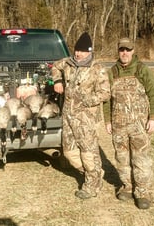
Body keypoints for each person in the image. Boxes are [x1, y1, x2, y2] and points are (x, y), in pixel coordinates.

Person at [51, 32, 110, 199]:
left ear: (89, 52)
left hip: (86, 118)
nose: (78, 54)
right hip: (68, 116)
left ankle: (91, 186)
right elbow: (55, 66)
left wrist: (85, 100)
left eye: (82, 51)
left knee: (88, 153)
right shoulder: (68, 63)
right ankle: (95, 174)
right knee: (69, 152)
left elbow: (105, 93)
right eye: (77, 50)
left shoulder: (97, 69)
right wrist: (57, 81)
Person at [103, 37, 154, 209]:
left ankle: (142, 192)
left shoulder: (142, 69)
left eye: (128, 49)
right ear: (118, 51)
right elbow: (107, 100)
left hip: (139, 125)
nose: (125, 53)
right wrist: (107, 120)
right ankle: (127, 186)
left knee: (140, 159)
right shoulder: (112, 72)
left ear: (133, 51)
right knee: (122, 158)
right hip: (118, 125)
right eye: (122, 50)